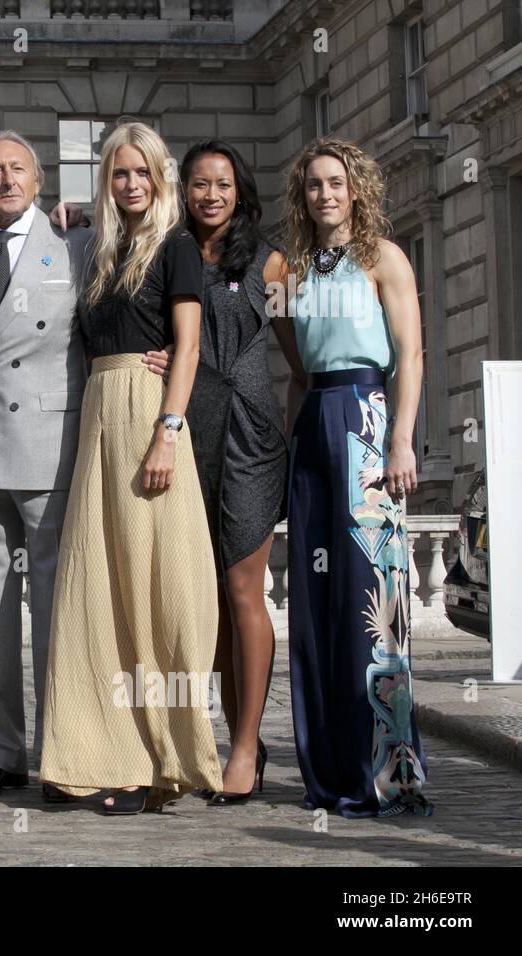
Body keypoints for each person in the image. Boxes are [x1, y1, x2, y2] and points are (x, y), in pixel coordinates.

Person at [39, 121, 222, 814]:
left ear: (160, 177)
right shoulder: (97, 252)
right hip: (100, 418)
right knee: (96, 589)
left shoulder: (176, 247)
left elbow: (189, 345)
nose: (132, 183)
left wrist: (168, 433)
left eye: (142, 172)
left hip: (151, 417)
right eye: (120, 173)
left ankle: (159, 756)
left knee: (161, 586)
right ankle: (96, 753)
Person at [280, 138, 432, 818]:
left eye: (335, 181)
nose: (325, 194)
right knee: (318, 606)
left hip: (367, 426)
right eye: (313, 184)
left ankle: (389, 771)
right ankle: (332, 769)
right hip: (314, 425)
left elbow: (412, 354)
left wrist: (401, 440)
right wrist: (291, 447)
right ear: (303, 194)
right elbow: (294, 365)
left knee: (373, 603)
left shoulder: (383, 259)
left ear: (356, 187)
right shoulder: (292, 269)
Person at [0, 130, 92, 800]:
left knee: (56, 612)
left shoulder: (76, 244)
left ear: (39, 181)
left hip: (49, 445)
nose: (7, 180)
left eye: (18, 169)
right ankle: (1, 752)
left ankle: (64, 751)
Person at [161, 141, 296, 804]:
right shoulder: (172, 250)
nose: (210, 195)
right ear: (184, 190)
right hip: (189, 438)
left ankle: (244, 746)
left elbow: (301, 361)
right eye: (198, 184)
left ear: (239, 190)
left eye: (222, 184)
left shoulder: (270, 261)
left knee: (244, 593)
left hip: (248, 434)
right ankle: (234, 734)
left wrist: (298, 443)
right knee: (208, 601)